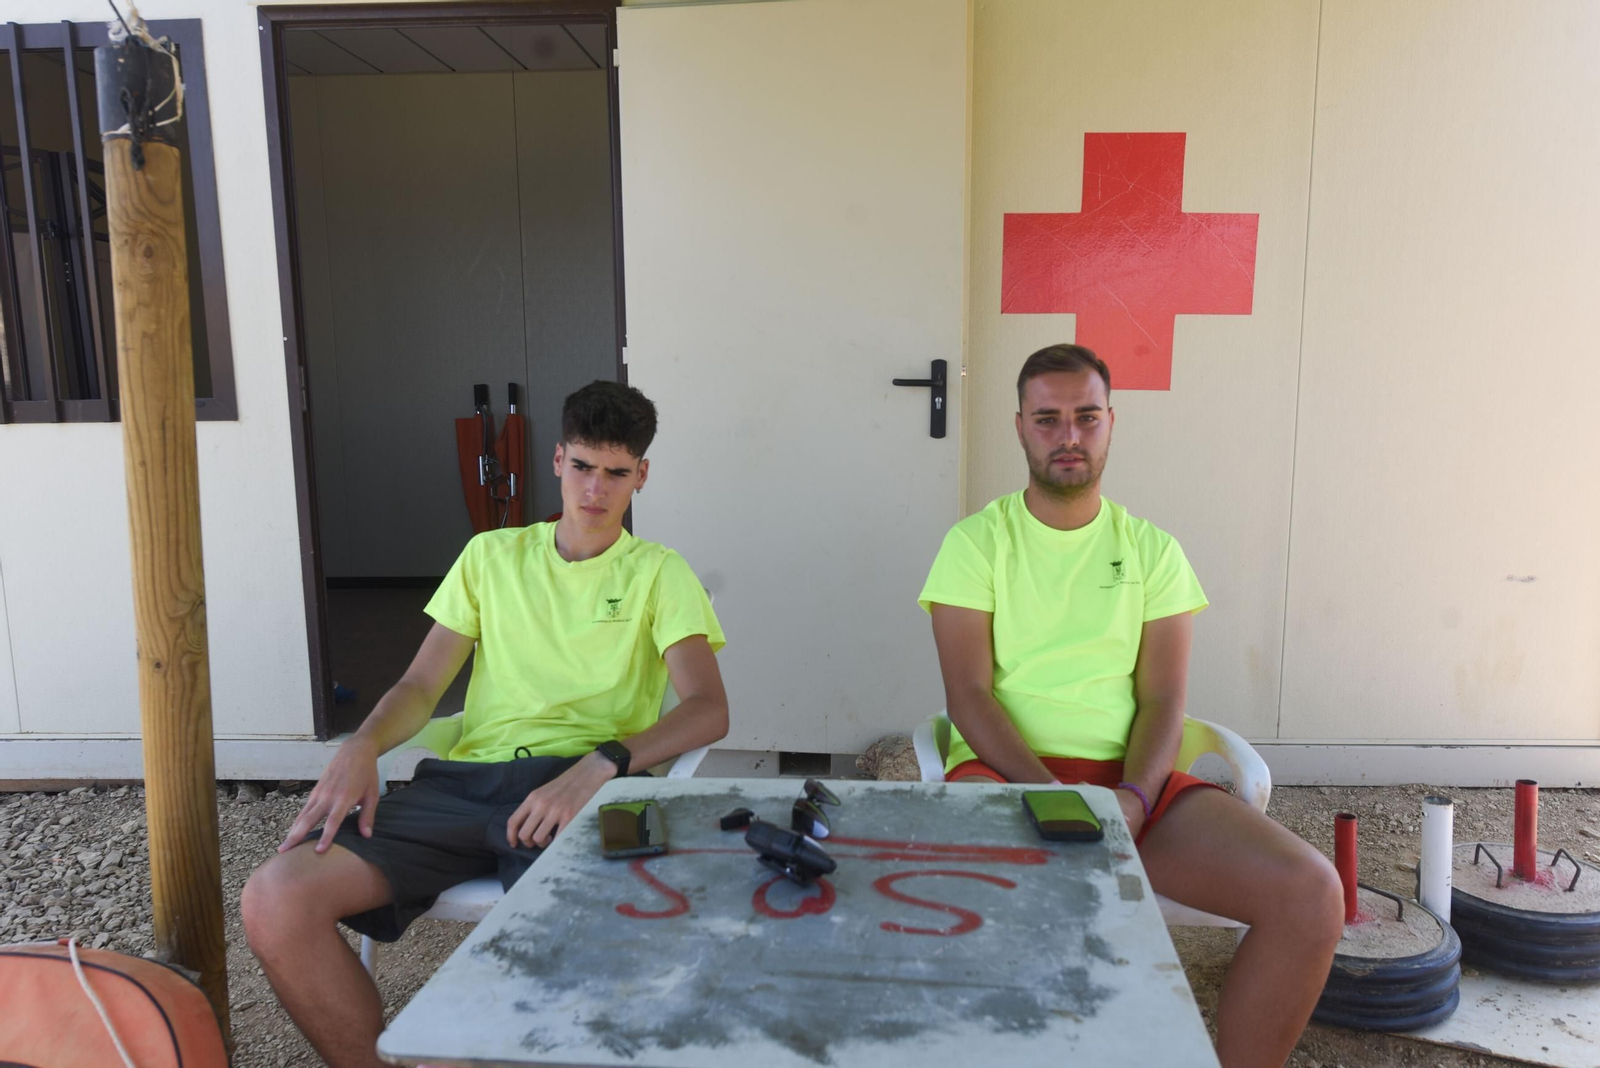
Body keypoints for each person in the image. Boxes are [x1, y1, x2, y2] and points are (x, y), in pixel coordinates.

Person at [242, 381, 728, 1068]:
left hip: (588, 793)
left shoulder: (659, 573)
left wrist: (600, 766)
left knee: (539, 988)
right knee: (274, 898)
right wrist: (363, 743)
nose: (596, 488)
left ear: (640, 476)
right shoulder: (490, 557)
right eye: (583, 466)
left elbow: (709, 708)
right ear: (558, 460)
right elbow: (419, 685)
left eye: (617, 472)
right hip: (464, 783)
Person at [918, 344, 1342, 1068]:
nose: (1069, 436)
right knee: (1006, 907)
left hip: (1129, 784)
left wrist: (1137, 798)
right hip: (1005, 775)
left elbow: (1162, 698)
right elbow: (969, 696)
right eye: (1048, 419)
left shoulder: (1153, 551)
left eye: (1086, 416)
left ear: (1111, 423)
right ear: (1019, 427)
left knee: (1311, 895)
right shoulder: (975, 544)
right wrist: (1051, 795)